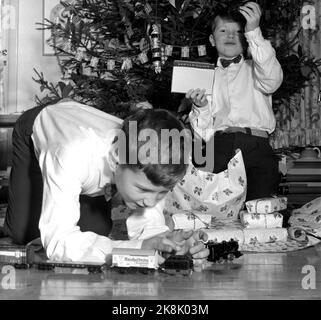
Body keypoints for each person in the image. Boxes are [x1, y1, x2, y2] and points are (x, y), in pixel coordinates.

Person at [2, 100, 209, 263]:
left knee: (96, 231)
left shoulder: (149, 158)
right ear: (116, 158)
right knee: (26, 234)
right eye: (142, 189)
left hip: (83, 125)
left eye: (161, 193)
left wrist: (168, 245)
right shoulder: (68, 154)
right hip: (35, 128)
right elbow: (58, 242)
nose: (150, 202)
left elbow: (149, 226)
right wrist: (138, 249)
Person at [186, 2, 283, 201]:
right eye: (223, 30)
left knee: (261, 206)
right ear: (212, 40)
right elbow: (203, 133)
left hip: (258, 145)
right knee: (212, 204)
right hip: (219, 146)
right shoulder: (205, 77)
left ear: (245, 38)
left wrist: (254, 31)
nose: (230, 35)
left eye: (238, 31)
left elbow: (272, 81)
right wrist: (201, 107)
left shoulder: (259, 68)